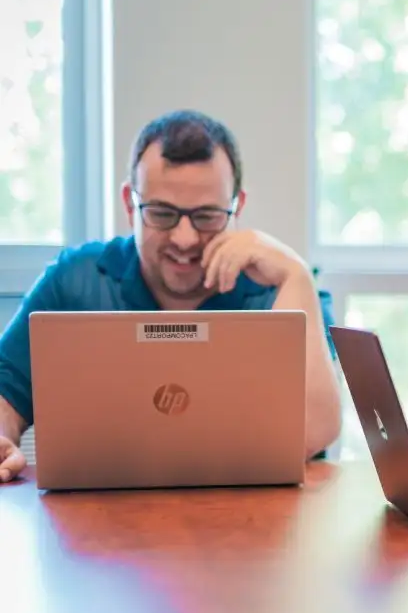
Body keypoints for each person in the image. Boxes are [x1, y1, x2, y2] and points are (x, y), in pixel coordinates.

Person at [0, 109, 342, 483]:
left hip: (255, 527)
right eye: (162, 214)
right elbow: (6, 389)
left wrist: (296, 275)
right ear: (130, 202)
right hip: (99, 525)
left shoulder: (285, 291)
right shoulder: (75, 279)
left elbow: (313, 434)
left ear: (236, 207)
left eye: (207, 216)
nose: (185, 239)